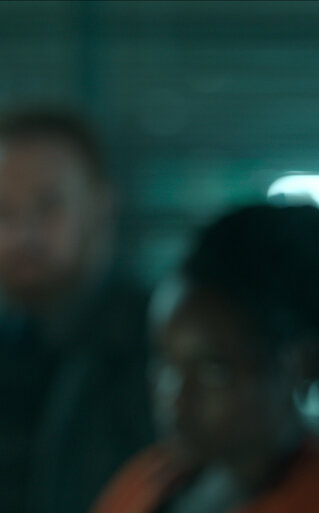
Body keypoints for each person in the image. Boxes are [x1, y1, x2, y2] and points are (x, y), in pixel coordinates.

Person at [92, 204, 319, 513]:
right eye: (165, 362)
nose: (174, 395)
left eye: (213, 370)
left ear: (300, 364)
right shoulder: (144, 484)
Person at [0, 108, 153, 513]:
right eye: (4, 210)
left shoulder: (161, 347)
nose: (22, 234)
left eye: (47, 206)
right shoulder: (12, 345)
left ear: (101, 205)